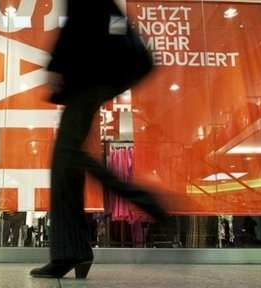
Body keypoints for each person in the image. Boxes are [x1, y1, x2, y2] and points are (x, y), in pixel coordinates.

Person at [30, 0, 167, 279]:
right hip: (95, 76)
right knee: (68, 162)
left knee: (65, 160)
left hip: (88, 77)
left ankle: (144, 203)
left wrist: (56, 63)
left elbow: (81, 21)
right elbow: (94, 20)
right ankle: (73, 250)